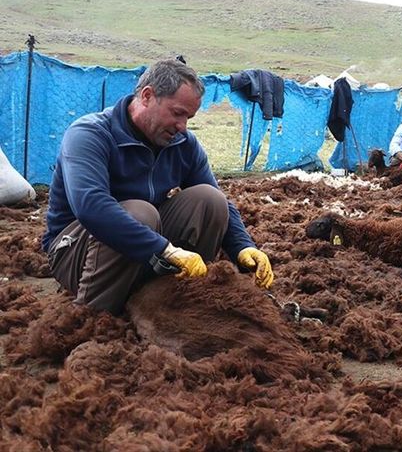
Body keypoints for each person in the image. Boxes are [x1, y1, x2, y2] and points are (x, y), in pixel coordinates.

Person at [41, 59, 274, 316]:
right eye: (177, 113)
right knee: (141, 213)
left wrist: (243, 247)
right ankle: (97, 314)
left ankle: (176, 299)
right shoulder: (90, 134)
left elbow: (217, 200)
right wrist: (165, 250)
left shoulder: (183, 143)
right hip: (75, 252)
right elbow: (91, 206)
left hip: (143, 248)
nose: (182, 126)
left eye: (189, 117)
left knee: (210, 200)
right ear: (147, 96)